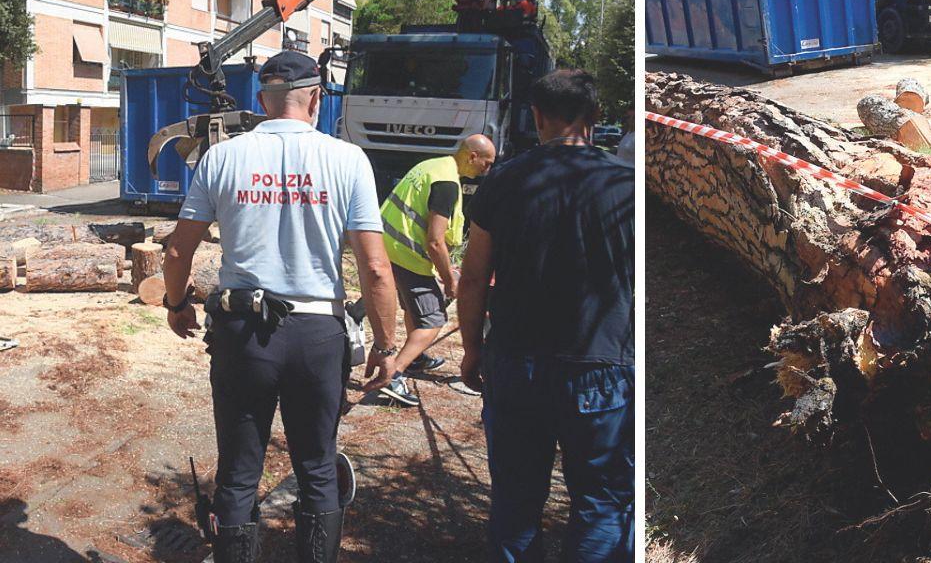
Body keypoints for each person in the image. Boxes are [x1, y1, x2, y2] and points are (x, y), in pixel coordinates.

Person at [163, 50, 401, 563]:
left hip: (243, 332)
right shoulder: (347, 159)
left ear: (263, 99)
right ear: (315, 98)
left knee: (239, 470)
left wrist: (177, 303)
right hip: (318, 333)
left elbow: (179, 249)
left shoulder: (222, 157)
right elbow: (376, 269)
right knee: (316, 468)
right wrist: (385, 345)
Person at [458, 69, 634, 562]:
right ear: (595, 118)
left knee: (515, 503)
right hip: (602, 366)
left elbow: (473, 276)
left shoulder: (504, 179)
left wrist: (473, 349)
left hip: (517, 363)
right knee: (602, 504)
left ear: (536, 116)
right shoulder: (626, 184)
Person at [376, 134, 497, 406]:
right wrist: (449, 279)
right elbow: (434, 240)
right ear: (471, 156)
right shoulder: (446, 184)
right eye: (486, 163)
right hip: (409, 255)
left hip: (388, 245)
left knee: (413, 307)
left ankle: (416, 357)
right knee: (432, 320)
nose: (487, 170)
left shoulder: (433, 165)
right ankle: (393, 374)